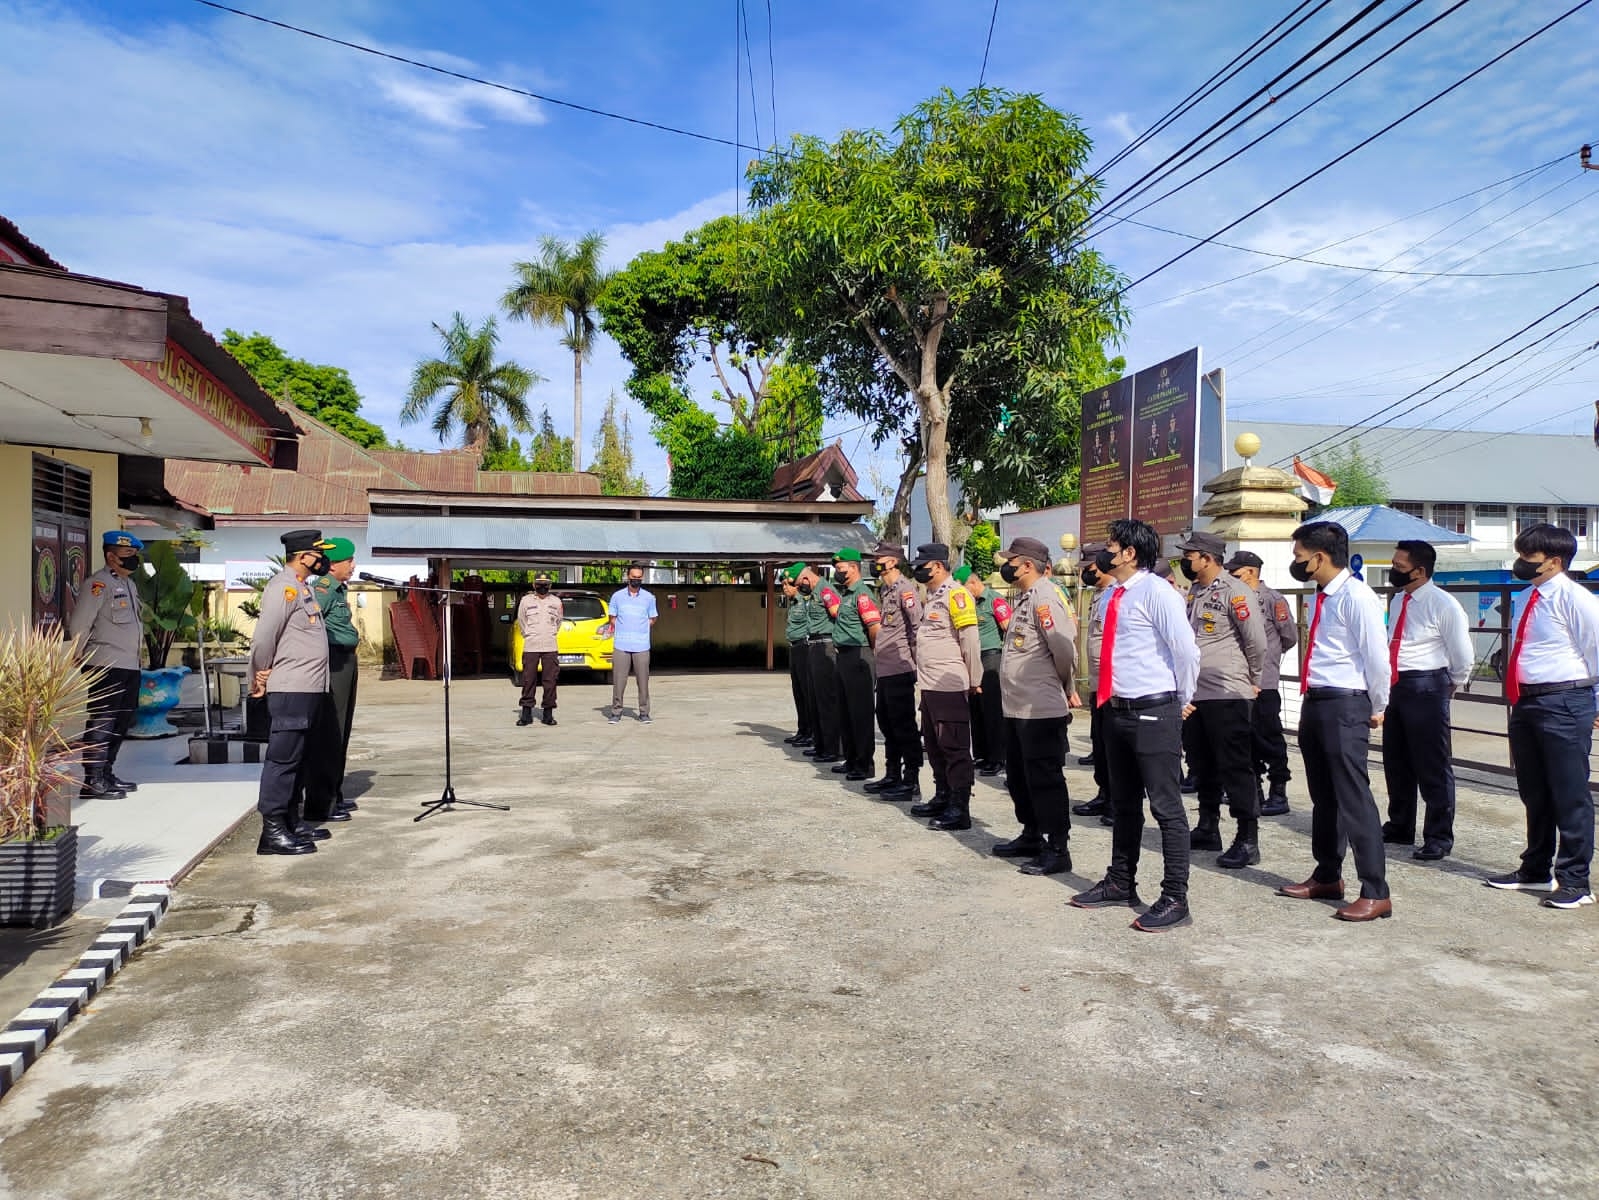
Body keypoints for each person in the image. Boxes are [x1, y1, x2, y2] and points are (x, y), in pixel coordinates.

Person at [1070, 518, 1200, 933]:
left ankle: (1175, 896)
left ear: (1129, 552)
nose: (1104, 552)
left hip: (1153, 709)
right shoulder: (1112, 595)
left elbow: (1185, 650)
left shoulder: (1157, 592)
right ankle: (1121, 882)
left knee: (1165, 806)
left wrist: (1184, 698)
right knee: (1123, 803)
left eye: (1111, 545)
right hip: (1116, 709)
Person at [1276, 520, 1392, 922]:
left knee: (1353, 797)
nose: (1297, 563)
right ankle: (1327, 874)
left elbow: (1377, 658)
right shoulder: (1322, 596)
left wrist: (1378, 705)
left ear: (1320, 557)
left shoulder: (1358, 598)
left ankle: (1376, 890)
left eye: (1299, 558)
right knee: (1324, 797)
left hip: (1346, 703)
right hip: (1320, 699)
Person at [1485, 523, 1599, 909]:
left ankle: (1575, 880)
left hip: (1565, 700)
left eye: (1527, 558)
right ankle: (1535, 868)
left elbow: (1597, 651)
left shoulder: (1576, 599)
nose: (1520, 564)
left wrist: (1596, 703)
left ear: (1553, 562)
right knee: (1534, 791)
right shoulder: (1526, 596)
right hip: (1528, 701)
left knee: (1570, 794)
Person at [989, 537, 1079, 874]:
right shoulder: (1025, 597)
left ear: (1026, 564)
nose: (1006, 565)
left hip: (1040, 707)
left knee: (1045, 779)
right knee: (1018, 777)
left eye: (1011, 560)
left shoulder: (1045, 597)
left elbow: (1064, 648)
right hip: (1017, 706)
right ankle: (1031, 834)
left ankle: (1057, 847)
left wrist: (1063, 683)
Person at [1178, 530, 1267, 869]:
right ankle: (1207, 825)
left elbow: (1256, 641)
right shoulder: (1195, 591)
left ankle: (1247, 837)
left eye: (1190, 555)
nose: (1186, 560)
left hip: (1228, 691)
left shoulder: (1236, 591)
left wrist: (1254, 679)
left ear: (1207, 557)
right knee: (1202, 763)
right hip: (1197, 692)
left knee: (1235, 766)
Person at [1381, 540, 1473, 861]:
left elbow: (1462, 653)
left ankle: (1438, 836)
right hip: (1397, 684)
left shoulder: (1443, 605)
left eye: (1399, 567)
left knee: (1432, 764)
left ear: (1420, 571)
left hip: (1427, 684)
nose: (1393, 571)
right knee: (1396, 760)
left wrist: (1454, 683)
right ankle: (1400, 825)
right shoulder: (1398, 601)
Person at [250, 529, 335, 855]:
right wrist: (258, 675)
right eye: (319, 554)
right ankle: (272, 831)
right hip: (290, 687)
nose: (322, 559)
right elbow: (263, 640)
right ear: (304, 557)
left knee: (300, 759)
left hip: (310, 688)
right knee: (283, 760)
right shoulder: (282, 589)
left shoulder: (302, 588)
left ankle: (289, 819)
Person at [908, 544, 982, 830]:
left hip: (950, 683)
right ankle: (942, 795)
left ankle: (959, 807)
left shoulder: (957, 594)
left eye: (923, 565)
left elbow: (970, 640)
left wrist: (975, 680)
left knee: (954, 746)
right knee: (935, 744)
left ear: (937, 566)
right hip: (930, 684)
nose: (918, 570)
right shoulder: (934, 596)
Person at [68, 531, 146, 799]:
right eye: (127, 556)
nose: (133, 560)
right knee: (102, 722)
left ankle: (106, 773)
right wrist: (77, 654)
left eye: (135, 555)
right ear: (111, 556)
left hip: (128, 665)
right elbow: (80, 622)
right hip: (105, 664)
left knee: (121, 722)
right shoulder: (98, 585)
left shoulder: (129, 585)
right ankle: (92, 781)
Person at [1225, 551, 1298, 816]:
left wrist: (1270, 657)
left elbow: (1289, 636)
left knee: (1269, 736)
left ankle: (1278, 791)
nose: (1231, 577)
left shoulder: (1272, 599)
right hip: (1238, 680)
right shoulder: (1235, 596)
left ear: (1251, 572)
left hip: (1264, 681)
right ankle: (1252, 790)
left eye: (1236, 573)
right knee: (1244, 737)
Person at [301, 537, 360, 823]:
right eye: (349, 561)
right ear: (333, 564)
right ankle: (319, 802)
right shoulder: (322, 591)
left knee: (342, 730)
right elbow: (309, 628)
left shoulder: (337, 589)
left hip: (346, 661)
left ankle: (333, 794)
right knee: (329, 733)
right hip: (333, 663)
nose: (353, 566)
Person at [865, 544, 921, 800]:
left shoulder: (905, 589)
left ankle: (911, 781)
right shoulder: (886, 590)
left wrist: (917, 665)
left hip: (900, 667)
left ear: (892, 562)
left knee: (904, 726)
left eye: (879, 558)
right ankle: (892, 774)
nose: (875, 562)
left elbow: (917, 627)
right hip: (885, 669)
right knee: (887, 723)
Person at [823, 548, 881, 782]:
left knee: (860, 713)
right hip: (844, 656)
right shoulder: (846, 594)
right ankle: (851, 758)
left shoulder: (863, 595)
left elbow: (874, 628)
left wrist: (872, 655)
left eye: (841, 568)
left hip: (859, 655)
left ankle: (864, 763)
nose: (837, 572)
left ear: (854, 567)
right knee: (845, 711)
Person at [955, 565, 1012, 777]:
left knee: (992, 710)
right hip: (973, 660)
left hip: (991, 659)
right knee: (976, 710)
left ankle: (997, 757)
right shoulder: (966, 604)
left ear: (974, 583)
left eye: (964, 587)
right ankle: (981, 754)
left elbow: (1009, 628)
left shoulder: (994, 600)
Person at [1072, 547, 1115, 824]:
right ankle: (1104, 793)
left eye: (1090, 567)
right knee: (1100, 744)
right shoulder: (1097, 595)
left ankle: (1115, 801)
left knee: (1113, 748)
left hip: (1113, 686)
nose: (1086, 572)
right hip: (1098, 685)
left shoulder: (1116, 595)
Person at [797, 564, 842, 764]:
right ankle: (821, 745)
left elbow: (838, 615)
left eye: (800, 583)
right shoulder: (815, 593)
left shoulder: (825, 591)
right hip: (813, 645)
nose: (800, 588)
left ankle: (833, 748)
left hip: (826, 645)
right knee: (815, 700)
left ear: (807, 578)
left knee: (826, 700)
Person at [609, 564, 657, 724]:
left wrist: (639, 628)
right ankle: (616, 712)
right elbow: (612, 618)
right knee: (618, 681)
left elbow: (652, 619)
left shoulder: (649, 598)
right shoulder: (617, 597)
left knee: (643, 681)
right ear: (627, 577)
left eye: (639, 577)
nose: (636, 580)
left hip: (642, 646)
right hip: (621, 645)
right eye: (633, 577)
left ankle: (644, 713)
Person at [516, 572, 564, 726]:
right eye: (539, 584)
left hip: (550, 645)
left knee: (550, 680)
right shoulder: (526, 601)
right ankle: (526, 713)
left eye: (545, 584)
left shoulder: (556, 602)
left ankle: (548, 713)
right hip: (531, 645)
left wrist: (549, 634)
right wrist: (529, 634)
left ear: (550, 585)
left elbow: (558, 622)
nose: (542, 587)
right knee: (529, 679)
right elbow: (522, 620)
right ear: (533, 585)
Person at [779, 565, 814, 747]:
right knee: (798, 692)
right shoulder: (793, 602)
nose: (785, 588)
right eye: (783, 585)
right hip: (794, 647)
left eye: (788, 584)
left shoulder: (807, 600)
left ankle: (811, 732)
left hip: (805, 647)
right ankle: (803, 730)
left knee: (808, 692)